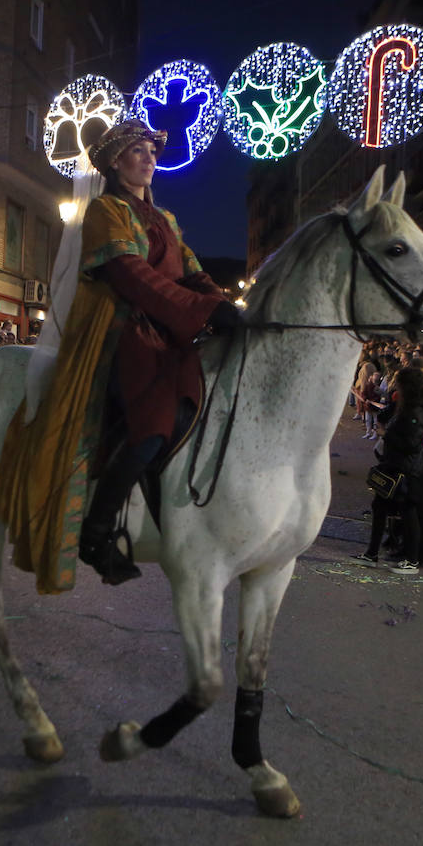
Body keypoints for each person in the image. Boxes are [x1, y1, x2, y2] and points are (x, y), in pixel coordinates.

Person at [75, 119, 241, 583]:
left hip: (171, 332)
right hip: (129, 332)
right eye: (138, 151)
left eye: (152, 151)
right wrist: (202, 311)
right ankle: (97, 531)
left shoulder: (165, 219)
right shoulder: (106, 211)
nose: (150, 158)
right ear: (113, 161)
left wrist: (225, 307)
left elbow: (193, 273)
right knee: (153, 426)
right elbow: (131, 276)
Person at [353, 367, 423, 571]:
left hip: (406, 468)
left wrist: (386, 434)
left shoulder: (416, 410)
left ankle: (411, 560)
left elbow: (412, 442)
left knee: (408, 512)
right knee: (381, 507)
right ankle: (372, 553)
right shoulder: (411, 405)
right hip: (397, 465)